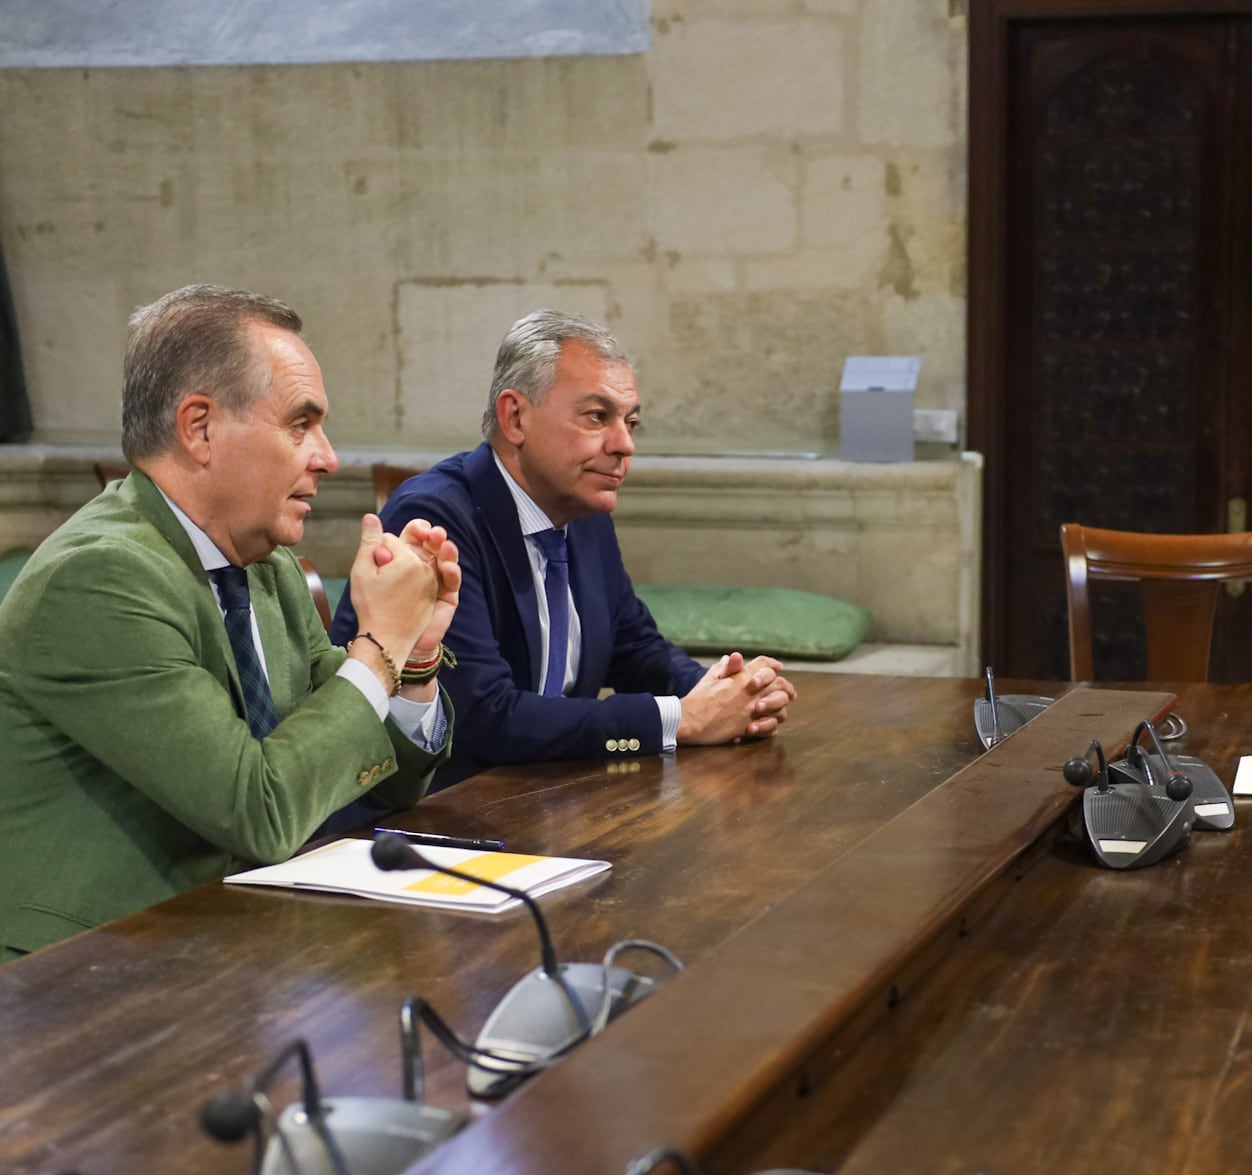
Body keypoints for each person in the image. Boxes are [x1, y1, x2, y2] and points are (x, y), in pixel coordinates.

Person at [0, 285, 458, 958]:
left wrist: (413, 661)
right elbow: (261, 810)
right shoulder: (99, 577)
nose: (327, 457)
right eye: (300, 424)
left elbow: (378, 769)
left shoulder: (264, 566)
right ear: (201, 428)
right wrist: (379, 643)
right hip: (87, 978)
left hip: (236, 942)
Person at [332, 310, 794, 790]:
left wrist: (727, 694)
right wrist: (679, 719)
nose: (625, 444)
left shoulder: (583, 512)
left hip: (545, 798)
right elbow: (484, 718)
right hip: (431, 817)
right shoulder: (435, 518)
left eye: (632, 422)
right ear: (515, 416)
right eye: (598, 417)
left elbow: (632, 646)